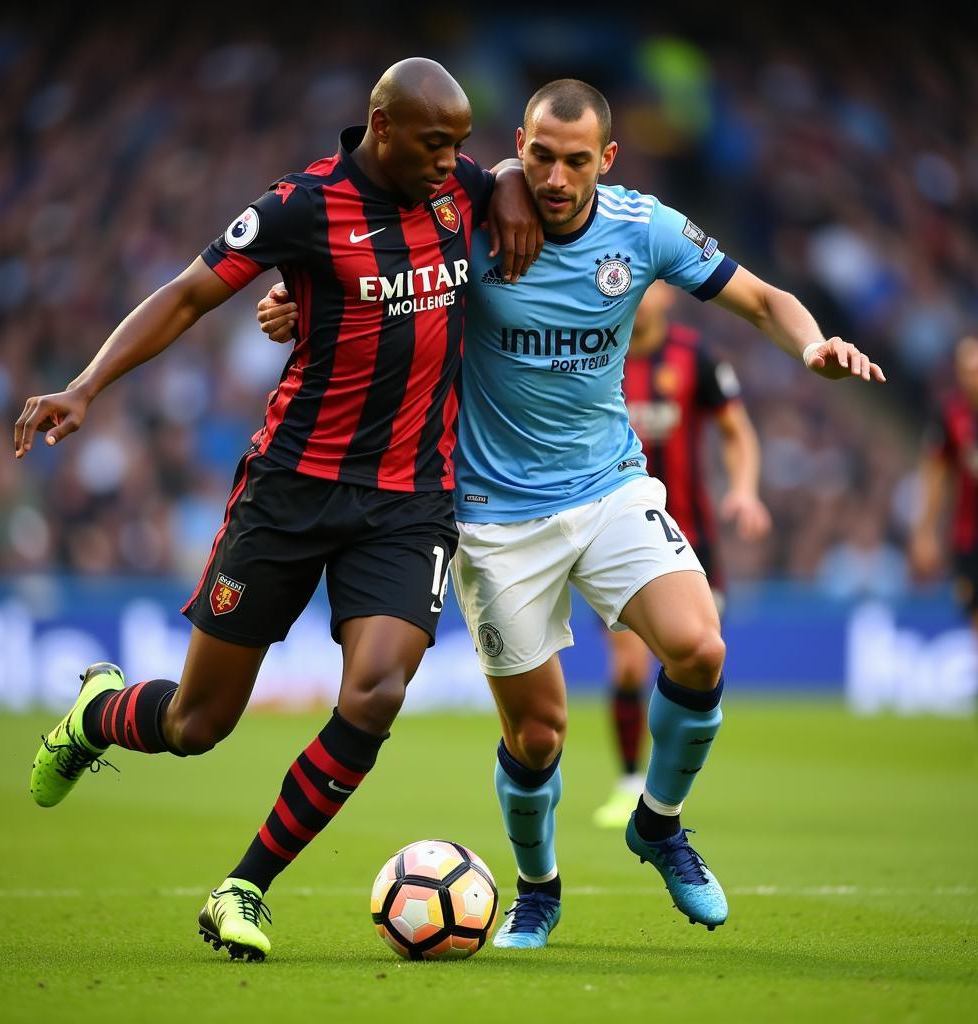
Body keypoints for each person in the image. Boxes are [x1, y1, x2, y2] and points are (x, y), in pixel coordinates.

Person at [257, 78, 885, 950]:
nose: (554, 178)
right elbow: (373, 273)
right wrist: (300, 303)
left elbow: (765, 298)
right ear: (521, 144)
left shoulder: (645, 227)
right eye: (540, 157)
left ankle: (659, 824)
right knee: (540, 735)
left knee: (701, 649)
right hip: (491, 515)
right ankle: (538, 890)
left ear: (608, 160)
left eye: (576, 161)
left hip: (609, 489)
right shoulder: (470, 222)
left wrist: (813, 343)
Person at [16, 57, 543, 963]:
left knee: (375, 693)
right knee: (197, 724)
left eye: (461, 145)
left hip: (410, 499)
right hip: (290, 491)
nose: (453, 160)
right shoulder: (301, 207)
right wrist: (86, 385)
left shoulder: (458, 186)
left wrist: (509, 187)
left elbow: (499, 173)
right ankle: (99, 711)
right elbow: (187, 293)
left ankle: (242, 887)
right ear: (381, 127)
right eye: (435, 143)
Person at [591, 280, 771, 829]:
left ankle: (666, 788)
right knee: (626, 662)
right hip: (617, 535)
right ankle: (628, 783)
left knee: (695, 657)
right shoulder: (597, 349)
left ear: (667, 295)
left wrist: (744, 489)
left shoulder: (696, 356)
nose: (639, 299)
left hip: (691, 537)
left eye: (650, 289)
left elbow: (736, 431)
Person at [910, 335, 978, 635]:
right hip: (968, 535)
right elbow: (935, 474)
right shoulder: (950, 414)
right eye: (965, 369)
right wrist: (925, 532)